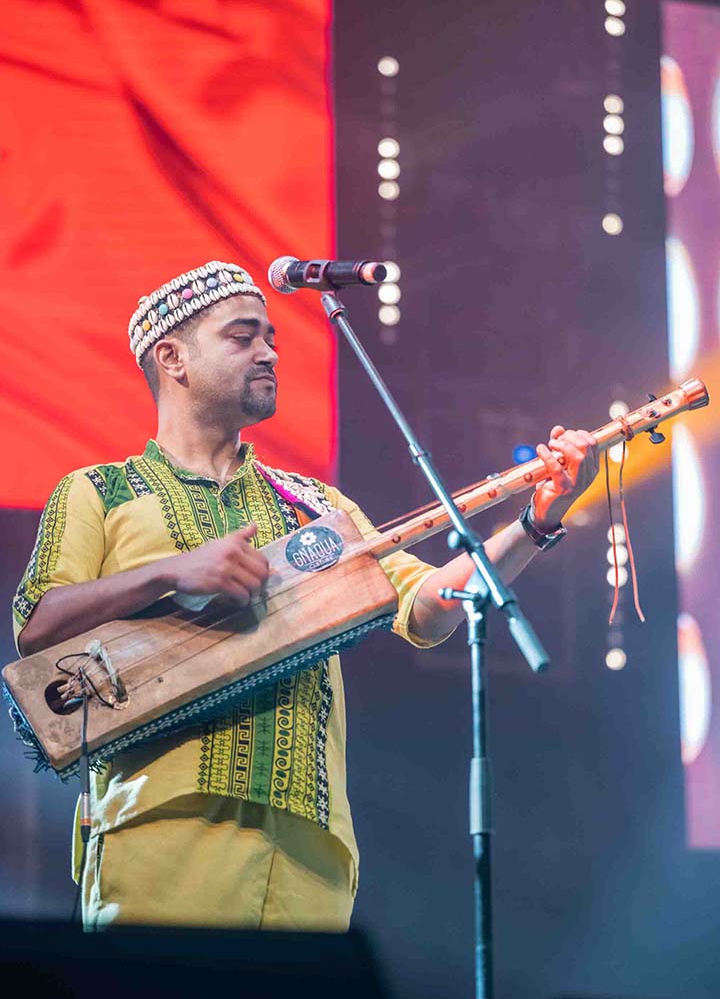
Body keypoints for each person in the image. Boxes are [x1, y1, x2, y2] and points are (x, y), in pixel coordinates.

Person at [12, 260, 599, 931]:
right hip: (161, 831)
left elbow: (428, 609)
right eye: (243, 337)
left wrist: (536, 521)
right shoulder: (100, 491)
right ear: (172, 358)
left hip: (310, 853)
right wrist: (172, 572)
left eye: (271, 339)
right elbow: (37, 626)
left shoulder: (314, 503)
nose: (268, 353)